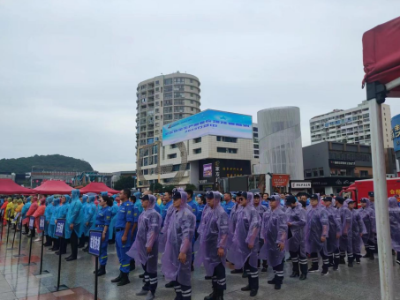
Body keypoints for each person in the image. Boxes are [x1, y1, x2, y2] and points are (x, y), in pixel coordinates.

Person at [161, 189, 196, 300]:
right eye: (173, 198)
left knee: (184, 274)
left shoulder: (186, 214)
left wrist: (183, 251)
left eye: (176, 199)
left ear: (183, 199)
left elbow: (187, 235)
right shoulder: (175, 212)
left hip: (182, 250)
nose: (173, 201)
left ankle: (185, 297)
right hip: (173, 247)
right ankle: (179, 295)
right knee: (176, 273)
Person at [194, 191, 228, 300]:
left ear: (217, 199)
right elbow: (203, 226)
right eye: (207, 198)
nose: (208, 200)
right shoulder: (207, 209)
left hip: (216, 246)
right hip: (208, 245)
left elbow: (224, 231)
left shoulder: (221, 213)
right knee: (212, 270)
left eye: (210, 198)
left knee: (219, 270)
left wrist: (221, 246)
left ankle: (220, 295)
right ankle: (215, 293)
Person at [128, 194, 161, 300]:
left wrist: (149, 244)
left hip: (149, 245)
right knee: (145, 266)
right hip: (142, 244)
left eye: (144, 200)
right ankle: (146, 286)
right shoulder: (144, 212)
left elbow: (153, 230)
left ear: (149, 202)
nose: (141, 202)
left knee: (151, 268)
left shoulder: (153, 214)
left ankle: (152, 290)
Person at [228, 192, 260, 297]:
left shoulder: (252, 211)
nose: (239, 200)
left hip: (250, 243)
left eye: (242, 199)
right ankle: (250, 284)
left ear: (247, 199)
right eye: (239, 198)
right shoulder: (241, 210)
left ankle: (255, 287)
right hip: (242, 243)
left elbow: (255, 226)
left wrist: (251, 240)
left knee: (253, 265)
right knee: (247, 265)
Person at [259, 195, 287, 290]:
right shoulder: (267, 213)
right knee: (273, 259)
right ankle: (276, 277)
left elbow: (283, 228)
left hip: (277, 240)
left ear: (278, 201)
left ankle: (279, 280)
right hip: (269, 240)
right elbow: (263, 225)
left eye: (273, 201)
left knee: (279, 260)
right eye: (270, 201)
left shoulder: (281, 214)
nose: (271, 202)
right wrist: (263, 237)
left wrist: (281, 240)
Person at [111, 188, 134, 286]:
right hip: (118, 232)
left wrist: (125, 235)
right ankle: (121, 274)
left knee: (124, 255)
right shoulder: (121, 205)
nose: (119, 195)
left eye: (120, 193)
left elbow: (129, 221)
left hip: (123, 232)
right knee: (120, 255)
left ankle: (125, 277)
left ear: (125, 195)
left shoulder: (129, 205)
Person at [306, 194, 329, 275]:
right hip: (311, 234)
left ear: (318, 200)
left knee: (323, 251)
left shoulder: (322, 210)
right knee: (313, 251)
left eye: (314, 199)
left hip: (319, 234)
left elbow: (325, 224)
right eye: (311, 199)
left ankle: (325, 267)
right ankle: (315, 266)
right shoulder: (309, 209)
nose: (312, 201)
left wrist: (323, 234)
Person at [285, 195, 307, 280]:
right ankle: (295, 271)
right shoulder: (288, 209)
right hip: (290, 234)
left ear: (293, 202)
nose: (288, 205)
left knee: (301, 254)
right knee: (293, 253)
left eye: (289, 203)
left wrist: (292, 223)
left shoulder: (300, 210)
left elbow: (303, 222)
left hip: (299, 234)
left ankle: (304, 272)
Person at [94, 194, 113, 276]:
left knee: (103, 249)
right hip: (98, 229)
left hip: (102, 230)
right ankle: (100, 267)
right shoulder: (101, 209)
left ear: (105, 201)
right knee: (99, 249)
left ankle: (103, 268)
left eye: (100, 200)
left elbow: (107, 223)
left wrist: (104, 233)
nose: (99, 202)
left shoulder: (107, 210)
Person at [323, 196, 341, 270]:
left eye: (326, 201)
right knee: (328, 247)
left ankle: (336, 264)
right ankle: (330, 262)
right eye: (324, 201)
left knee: (335, 247)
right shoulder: (323, 210)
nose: (325, 202)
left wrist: (338, 231)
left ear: (330, 202)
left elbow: (338, 222)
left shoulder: (335, 210)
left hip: (333, 231)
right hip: (327, 231)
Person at [64, 189, 83, 261]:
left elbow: (75, 213)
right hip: (71, 223)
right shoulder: (73, 201)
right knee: (72, 240)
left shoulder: (77, 202)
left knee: (74, 240)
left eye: (72, 193)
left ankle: (74, 255)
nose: (71, 195)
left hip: (75, 224)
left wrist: (71, 222)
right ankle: (72, 254)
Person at [347, 199, 366, 264]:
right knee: (350, 245)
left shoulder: (356, 212)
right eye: (351, 203)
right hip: (348, 232)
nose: (352, 205)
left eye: (353, 203)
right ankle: (351, 258)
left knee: (357, 244)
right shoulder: (345, 212)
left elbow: (360, 222)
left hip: (356, 231)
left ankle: (357, 257)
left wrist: (361, 231)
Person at [253, 193, 268, 273]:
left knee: (263, 247)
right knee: (255, 248)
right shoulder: (251, 208)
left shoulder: (264, 208)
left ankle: (265, 264)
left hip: (262, 231)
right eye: (254, 198)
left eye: (257, 198)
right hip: (253, 231)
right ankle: (256, 263)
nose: (256, 199)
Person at [388, 197, 400, 265]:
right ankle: (398, 258)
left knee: (389, 243)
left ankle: (389, 257)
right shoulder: (398, 210)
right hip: (398, 229)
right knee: (399, 244)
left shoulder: (386, 210)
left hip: (388, 230)